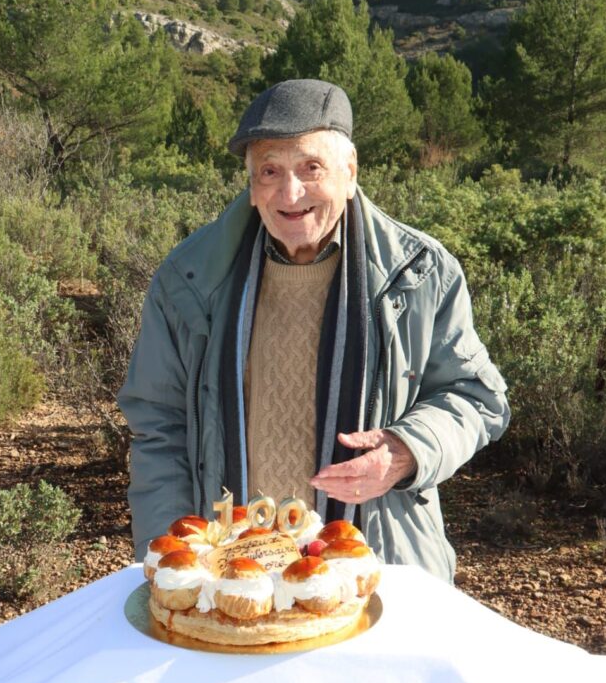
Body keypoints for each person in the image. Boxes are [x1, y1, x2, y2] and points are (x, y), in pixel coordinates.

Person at [118, 78, 510, 582]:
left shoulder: (419, 273)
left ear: (350, 173)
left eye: (311, 168)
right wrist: (175, 553)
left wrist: (408, 449)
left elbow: (476, 395)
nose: (290, 192)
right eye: (270, 171)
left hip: (376, 563)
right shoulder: (189, 279)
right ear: (252, 186)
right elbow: (158, 423)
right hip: (231, 571)